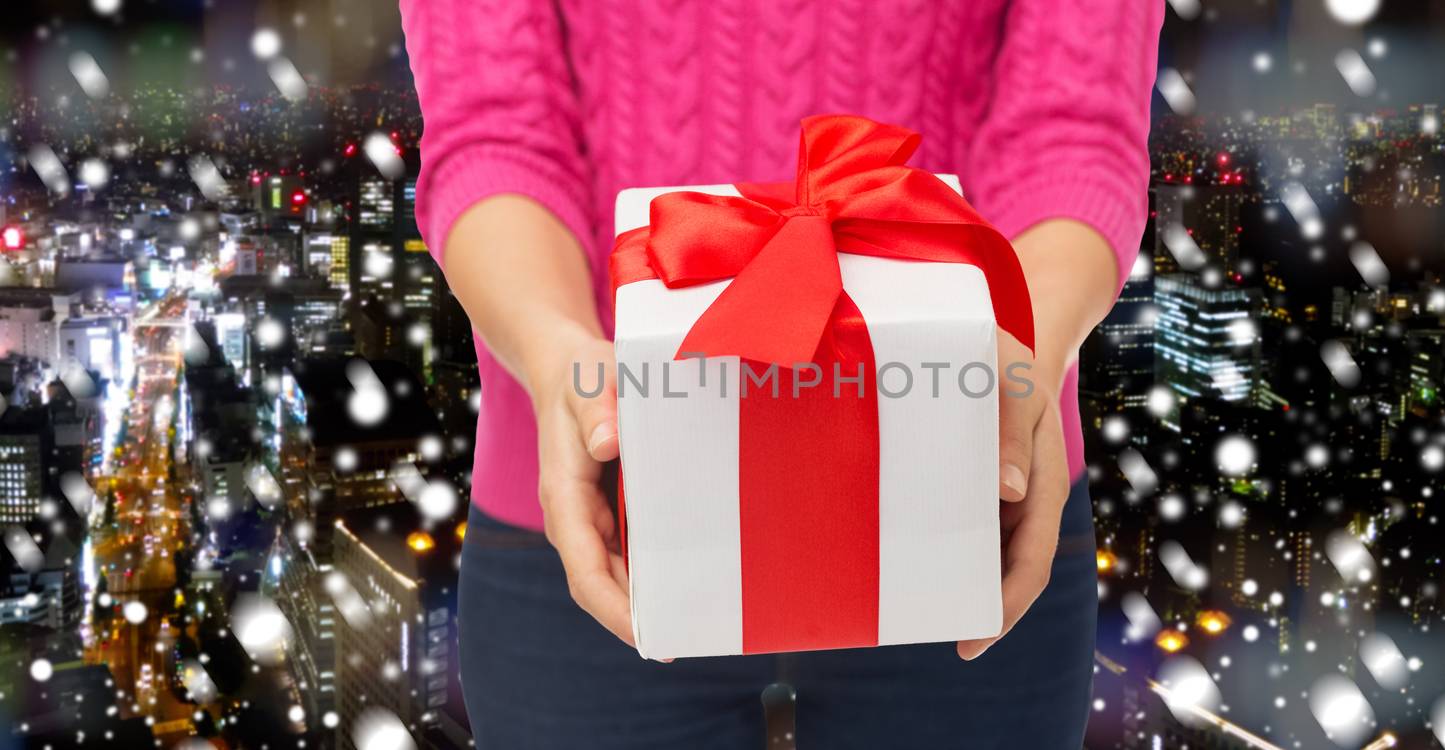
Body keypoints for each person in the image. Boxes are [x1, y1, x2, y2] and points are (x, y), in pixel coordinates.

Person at [398, 1, 1162, 747]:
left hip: (973, 488)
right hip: (593, 509)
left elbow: (1077, 129)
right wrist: (553, 348)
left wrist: (1028, 345)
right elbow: (491, 132)